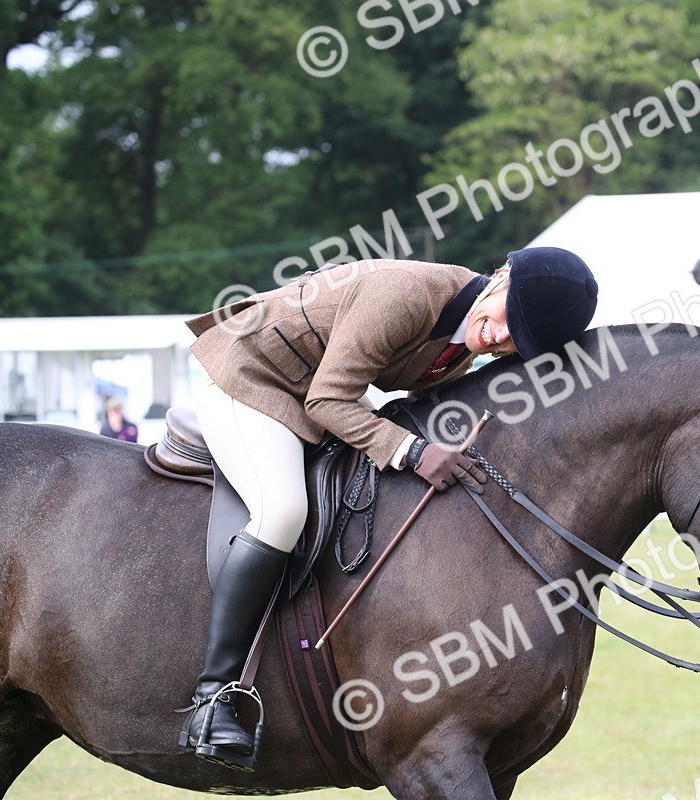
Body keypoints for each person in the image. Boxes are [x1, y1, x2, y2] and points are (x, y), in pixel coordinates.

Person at [175, 247, 598, 769]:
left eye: (520, 340)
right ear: (502, 274)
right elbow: (328, 401)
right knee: (282, 511)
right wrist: (412, 450)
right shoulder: (404, 294)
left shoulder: (465, 330)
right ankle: (213, 700)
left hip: (319, 385)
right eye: (512, 317)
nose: (500, 338)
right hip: (255, 380)